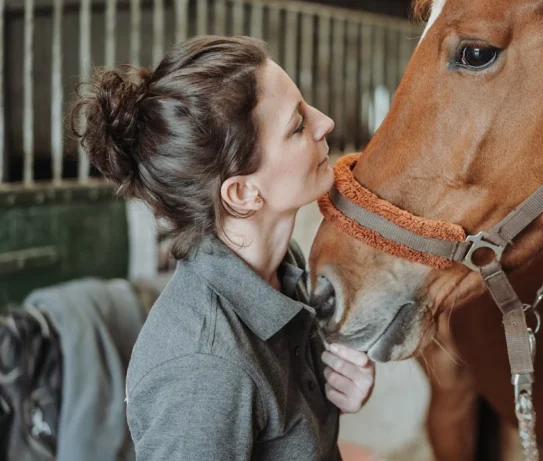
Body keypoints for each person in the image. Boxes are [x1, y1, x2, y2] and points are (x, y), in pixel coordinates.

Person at [69, 35, 375, 460]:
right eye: (298, 125)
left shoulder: (281, 271)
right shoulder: (204, 369)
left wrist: (333, 393)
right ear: (244, 193)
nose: (325, 123)